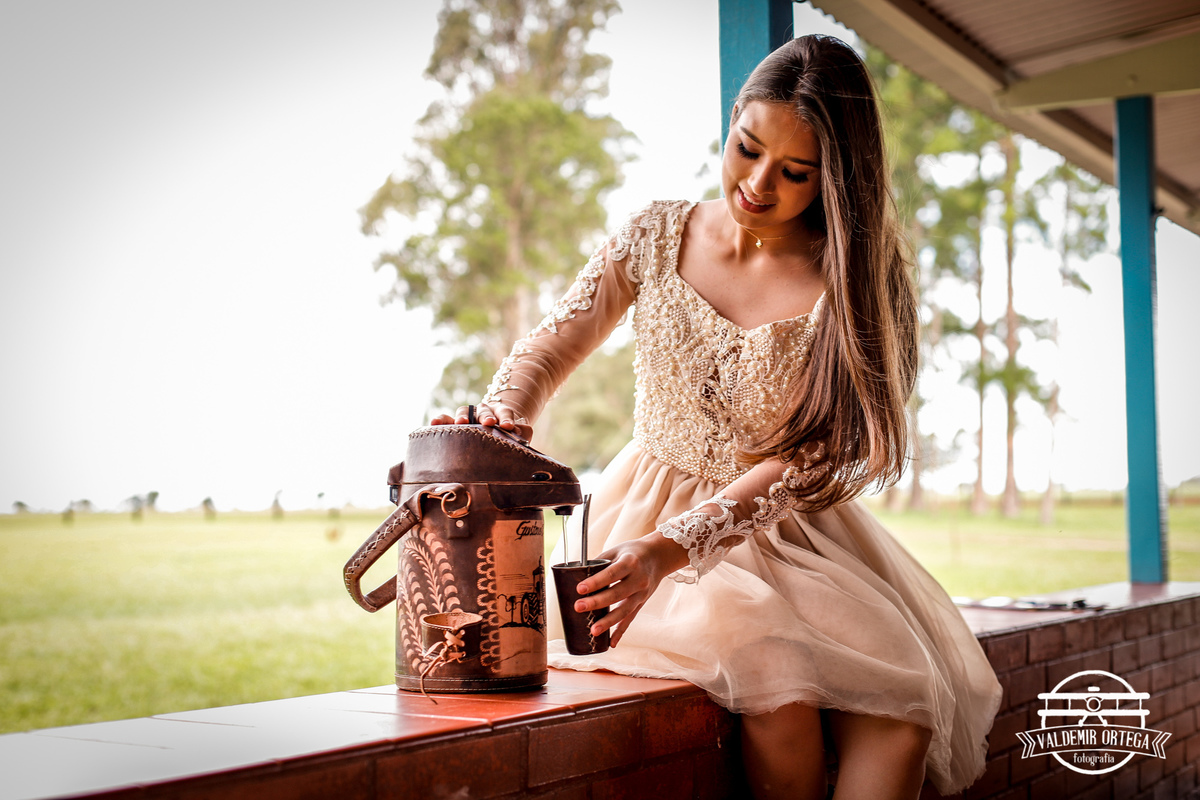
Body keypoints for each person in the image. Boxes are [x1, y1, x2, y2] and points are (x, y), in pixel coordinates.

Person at [431, 34, 1001, 800]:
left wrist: (675, 547)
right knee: (779, 692)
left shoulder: (851, 280)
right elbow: (552, 346)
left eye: (795, 172)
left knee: (903, 708)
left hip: (786, 527)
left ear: (835, 179)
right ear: (732, 120)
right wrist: (505, 415)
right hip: (641, 516)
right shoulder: (657, 234)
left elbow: (813, 460)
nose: (758, 184)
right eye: (748, 149)